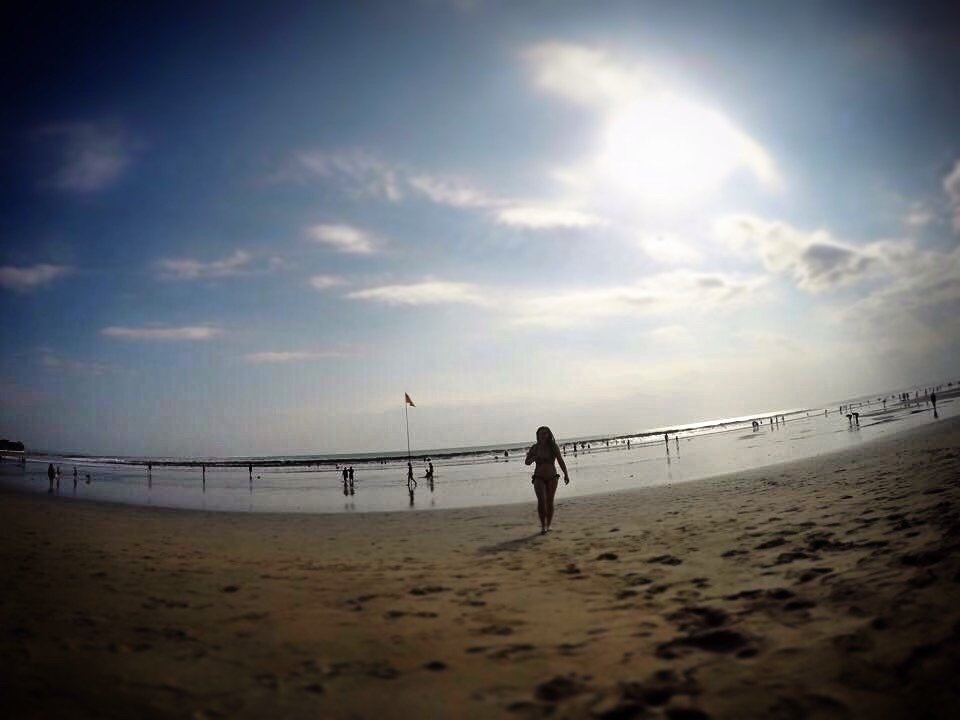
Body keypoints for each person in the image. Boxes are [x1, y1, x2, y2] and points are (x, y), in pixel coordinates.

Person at [524, 426, 570, 534]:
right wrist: (534, 458)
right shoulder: (535, 448)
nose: (543, 435)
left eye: (545, 433)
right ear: (538, 435)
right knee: (541, 501)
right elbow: (527, 462)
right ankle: (543, 526)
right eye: (541, 433)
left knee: (550, 501)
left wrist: (566, 474)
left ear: (549, 435)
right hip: (538, 477)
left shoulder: (553, 447)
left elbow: (560, 460)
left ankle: (548, 525)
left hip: (552, 477)